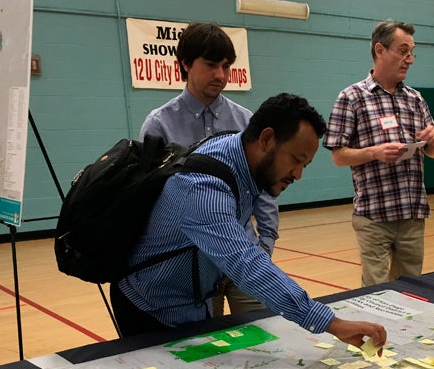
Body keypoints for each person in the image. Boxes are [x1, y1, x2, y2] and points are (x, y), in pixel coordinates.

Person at [111, 93, 388, 350]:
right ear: (266, 139)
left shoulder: (240, 152)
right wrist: (331, 323)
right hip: (150, 309)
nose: (298, 174)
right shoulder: (202, 187)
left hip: (192, 303)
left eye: (306, 165)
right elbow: (246, 264)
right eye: (295, 160)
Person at [139, 22, 279, 317]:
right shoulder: (159, 125)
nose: (220, 75)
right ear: (186, 64)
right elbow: (149, 201)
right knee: (204, 350)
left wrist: (265, 245)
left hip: (244, 255)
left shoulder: (245, 122)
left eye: (226, 66)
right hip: (191, 264)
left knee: (264, 333)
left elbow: (263, 190)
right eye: (211, 65)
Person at [322, 20, 434, 287]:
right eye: (402, 51)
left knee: (412, 289)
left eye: (412, 52)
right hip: (374, 216)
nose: (409, 59)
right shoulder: (351, 97)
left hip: (412, 214)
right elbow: (338, 156)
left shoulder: (415, 99)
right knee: (375, 292)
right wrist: (375, 152)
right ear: (379, 50)